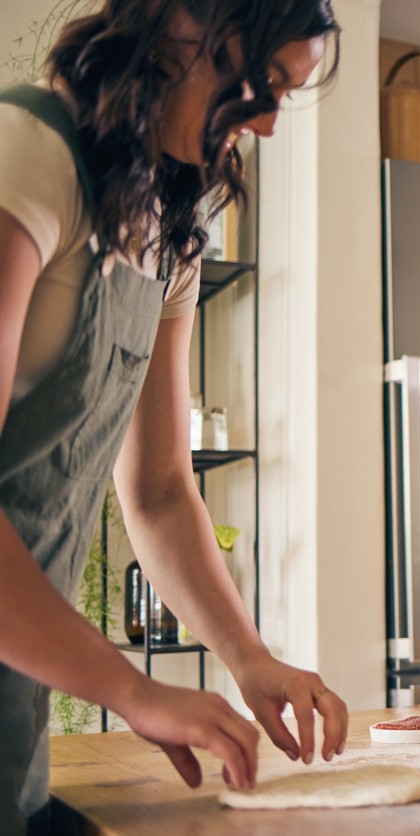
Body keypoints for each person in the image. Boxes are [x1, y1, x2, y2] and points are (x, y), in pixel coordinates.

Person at [0, 1, 348, 829]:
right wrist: (132, 691)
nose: (264, 123)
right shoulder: (27, 157)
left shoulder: (164, 231)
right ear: (182, 24)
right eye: (262, 83)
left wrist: (249, 658)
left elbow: (157, 489)